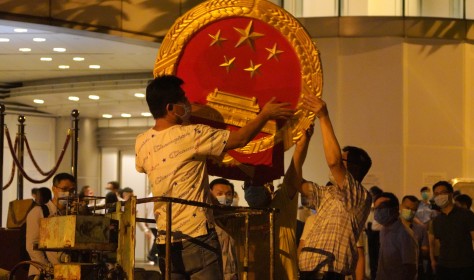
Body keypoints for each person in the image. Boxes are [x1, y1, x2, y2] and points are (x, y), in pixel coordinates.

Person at [134, 75, 293, 279]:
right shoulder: (192, 135)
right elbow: (240, 138)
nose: (188, 104)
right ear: (170, 108)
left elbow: (144, 167)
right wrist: (265, 115)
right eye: (183, 100)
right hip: (197, 236)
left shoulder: (141, 142)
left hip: (165, 239)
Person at [298, 95, 372, 279]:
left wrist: (323, 117)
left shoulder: (358, 196)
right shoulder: (327, 193)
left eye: (342, 157)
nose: (337, 158)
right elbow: (294, 182)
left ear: (353, 167)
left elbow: (333, 162)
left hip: (329, 273)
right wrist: (302, 145)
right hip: (308, 272)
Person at [26, 173, 75, 279]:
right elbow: (32, 246)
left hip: (66, 272)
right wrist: (48, 268)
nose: (68, 193)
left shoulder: (71, 214)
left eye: (72, 190)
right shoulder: (39, 212)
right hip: (42, 273)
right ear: (54, 189)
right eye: (64, 189)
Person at [430, 181, 474, 280]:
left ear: (451, 194)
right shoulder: (437, 220)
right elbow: (437, 243)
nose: (440, 196)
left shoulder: (466, 215)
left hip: (464, 266)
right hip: (443, 266)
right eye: (436, 194)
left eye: (443, 193)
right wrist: (433, 260)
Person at [374, 192, 418, 280]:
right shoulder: (384, 229)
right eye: (376, 208)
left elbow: (410, 268)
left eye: (382, 207)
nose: (378, 211)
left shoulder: (404, 234)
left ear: (395, 208)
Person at [210, 178, 239, 280]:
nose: (224, 197)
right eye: (219, 193)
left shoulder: (236, 221)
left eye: (228, 194)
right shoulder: (205, 222)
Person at [400, 195, 430, 279]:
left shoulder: (420, 229)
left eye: (413, 210)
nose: (410, 211)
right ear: (401, 206)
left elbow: (425, 251)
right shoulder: (392, 227)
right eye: (407, 208)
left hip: (414, 270)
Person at [365, 186, 383, 280]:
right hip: (367, 237)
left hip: (377, 239)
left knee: (375, 263)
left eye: (373, 195)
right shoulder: (365, 209)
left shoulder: (381, 210)